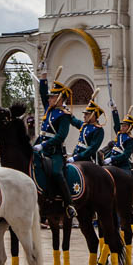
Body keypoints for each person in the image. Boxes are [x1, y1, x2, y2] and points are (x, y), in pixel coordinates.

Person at [34, 68, 76, 218]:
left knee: (57, 173)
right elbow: (42, 92)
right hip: (41, 149)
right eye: (50, 97)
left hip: (55, 152)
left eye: (52, 97)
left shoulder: (63, 116)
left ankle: (69, 204)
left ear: (59, 98)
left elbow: (60, 136)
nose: (49, 99)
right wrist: (44, 76)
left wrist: (43, 145)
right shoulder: (48, 109)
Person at [70, 100, 105, 164]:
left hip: (88, 159)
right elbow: (74, 121)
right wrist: (67, 112)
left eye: (86, 114)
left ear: (93, 115)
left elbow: (92, 149)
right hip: (76, 154)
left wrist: (77, 157)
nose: (84, 116)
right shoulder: (84, 125)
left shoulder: (98, 130)